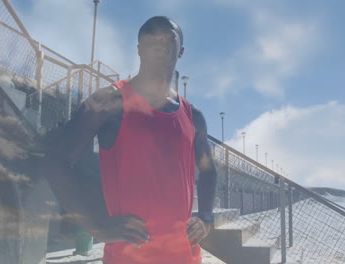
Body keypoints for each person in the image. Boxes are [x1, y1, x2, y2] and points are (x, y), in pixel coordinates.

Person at [41, 16, 217, 264]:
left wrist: (207, 217)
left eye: (168, 38)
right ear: (138, 48)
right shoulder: (109, 102)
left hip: (184, 256)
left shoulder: (193, 116)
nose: (159, 42)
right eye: (150, 37)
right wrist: (96, 227)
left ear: (181, 51)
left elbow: (208, 170)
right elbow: (55, 162)